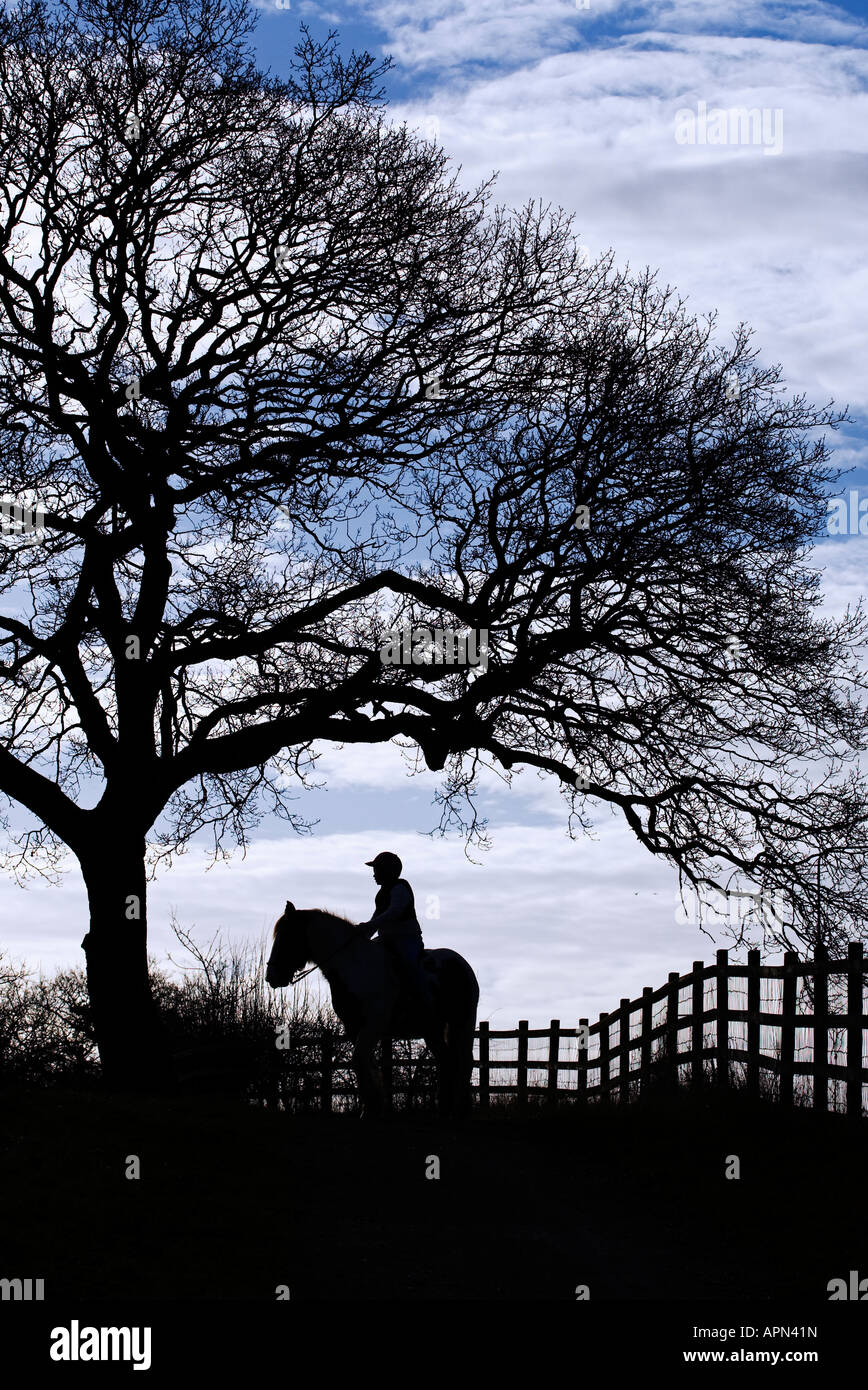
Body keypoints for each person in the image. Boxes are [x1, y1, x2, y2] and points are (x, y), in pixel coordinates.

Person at [356, 852, 436, 1026]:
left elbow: (394, 912)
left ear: (388, 870)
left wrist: (369, 927)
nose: (374, 874)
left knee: (410, 965)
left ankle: (424, 1002)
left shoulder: (400, 888)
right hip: (386, 940)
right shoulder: (382, 893)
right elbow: (377, 918)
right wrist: (363, 935)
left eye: (377, 869)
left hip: (406, 940)